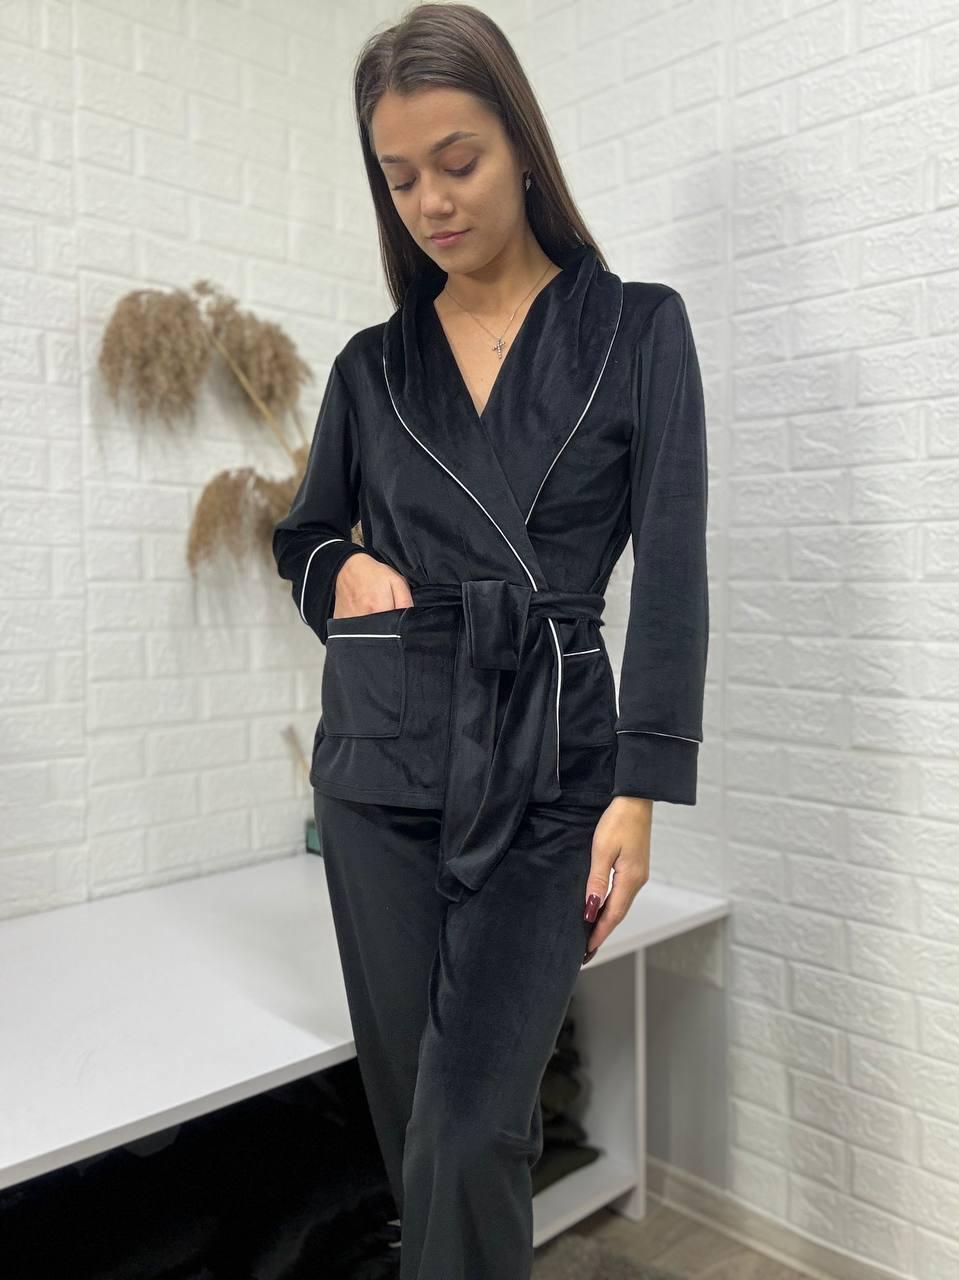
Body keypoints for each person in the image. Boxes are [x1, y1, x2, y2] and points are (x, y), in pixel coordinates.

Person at [271, 5, 709, 1276]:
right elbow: (302, 534)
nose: (430, 201)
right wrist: (338, 565)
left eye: (455, 161)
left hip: (549, 760)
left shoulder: (637, 329)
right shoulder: (372, 367)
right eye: (398, 176)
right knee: (416, 1121)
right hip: (379, 761)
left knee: (471, 1129)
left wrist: (639, 786)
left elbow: (670, 565)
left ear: (520, 143)